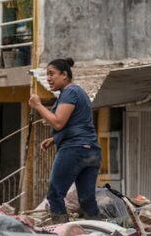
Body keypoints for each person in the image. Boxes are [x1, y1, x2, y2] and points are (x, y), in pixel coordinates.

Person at [29, 57, 102, 222]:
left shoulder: (69, 92)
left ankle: (61, 233)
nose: (48, 78)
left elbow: (58, 122)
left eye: (51, 74)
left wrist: (38, 105)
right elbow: (78, 122)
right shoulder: (78, 92)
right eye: (47, 74)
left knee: (55, 195)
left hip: (74, 150)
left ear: (64, 75)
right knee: (86, 200)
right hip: (91, 151)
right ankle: (101, 234)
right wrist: (54, 140)